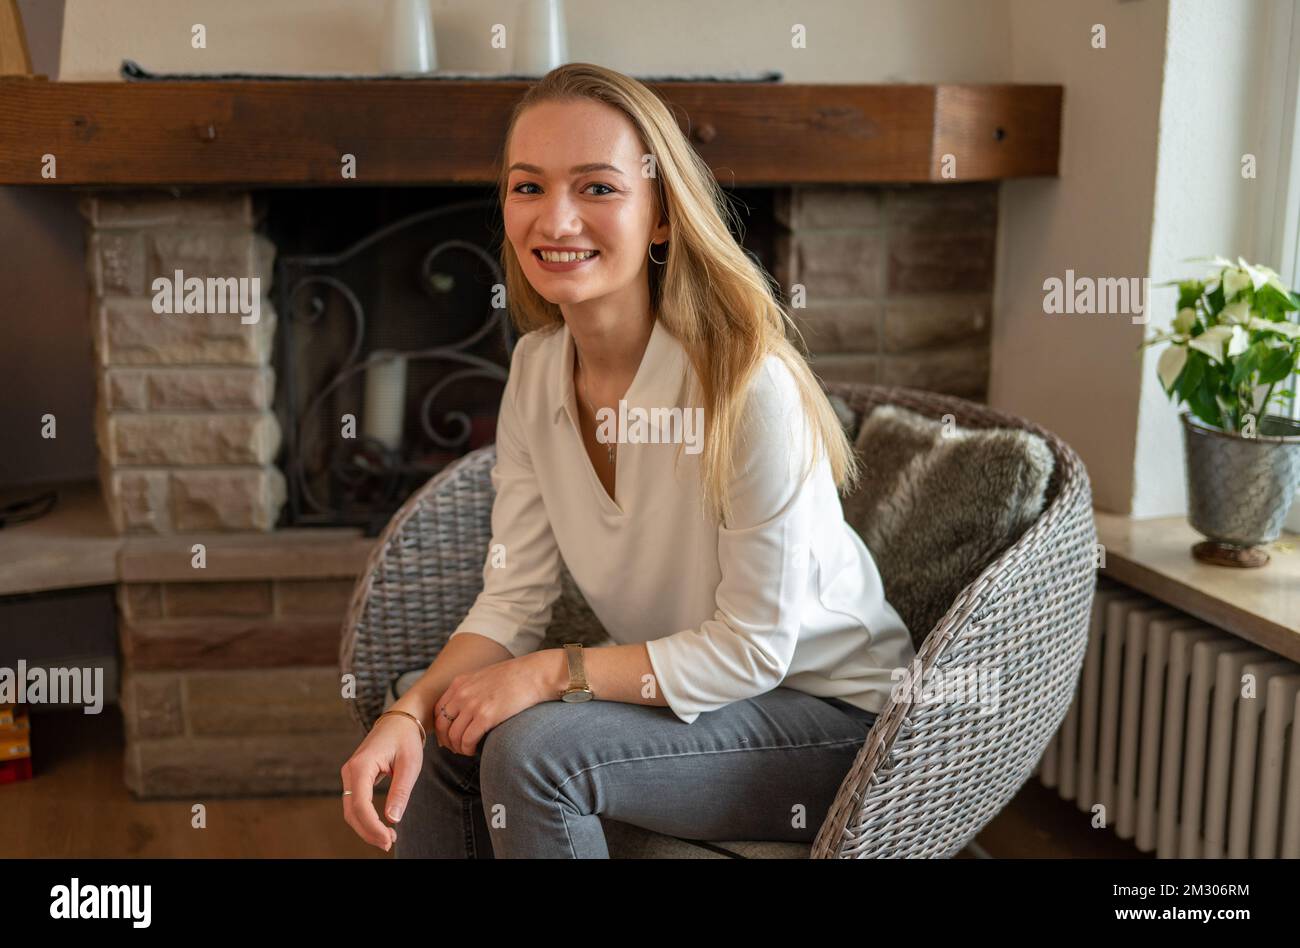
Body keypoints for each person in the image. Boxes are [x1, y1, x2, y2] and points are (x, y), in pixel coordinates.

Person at [341, 62, 915, 858]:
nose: (556, 220)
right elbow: (511, 602)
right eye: (528, 187)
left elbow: (751, 651)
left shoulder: (748, 386)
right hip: (696, 704)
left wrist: (548, 675)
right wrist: (406, 713)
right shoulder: (537, 371)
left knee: (534, 753)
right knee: (453, 728)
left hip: (838, 725)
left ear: (660, 217)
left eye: (598, 188)